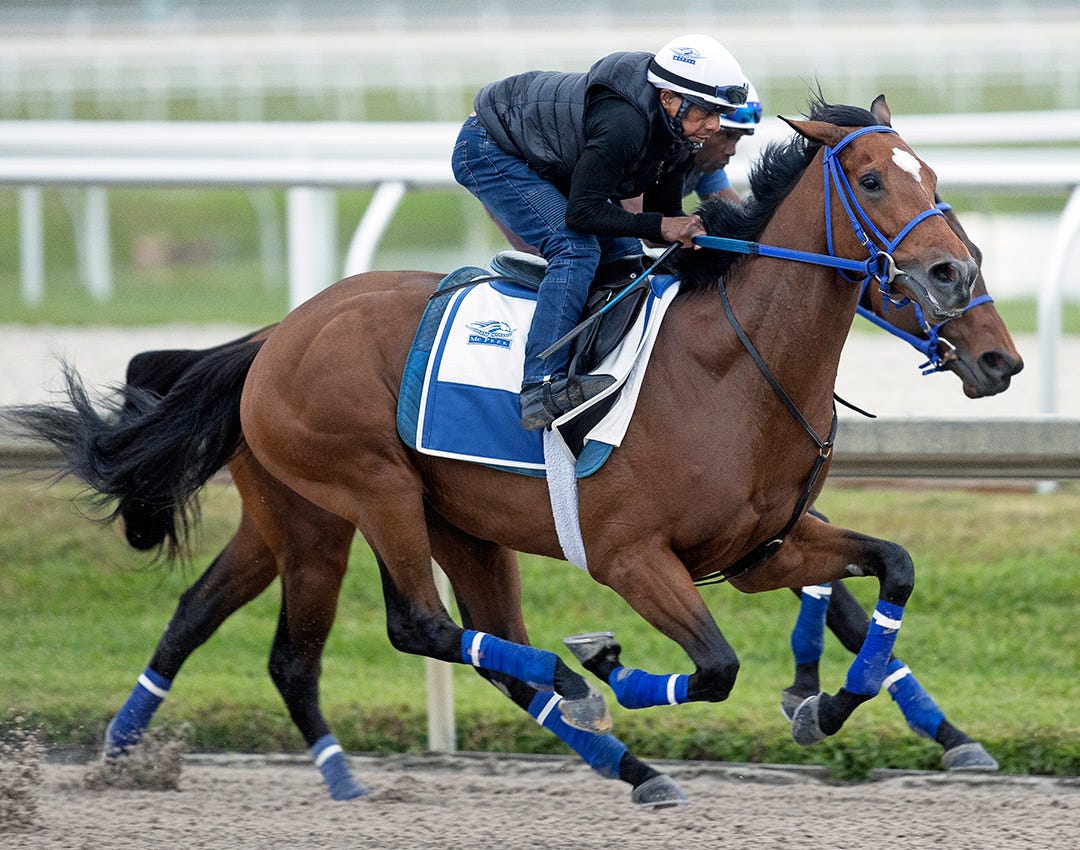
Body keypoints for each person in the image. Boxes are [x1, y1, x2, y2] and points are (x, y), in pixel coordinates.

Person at [451, 34, 751, 430]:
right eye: (707, 111)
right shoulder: (624, 123)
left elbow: (661, 223)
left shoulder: (680, 135)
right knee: (575, 249)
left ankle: (590, 360)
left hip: (545, 154)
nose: (714, 126)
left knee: (624, 254)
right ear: (668, 98)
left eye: (720, 114)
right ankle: (540, 385)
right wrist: (663, 225)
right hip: (490, 147)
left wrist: (705, 237)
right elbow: (583, 213)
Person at [683, 83, 762, 204]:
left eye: (738, 138)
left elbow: (739, 213)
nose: (732, 151)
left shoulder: (704, 165)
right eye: (727, 136)